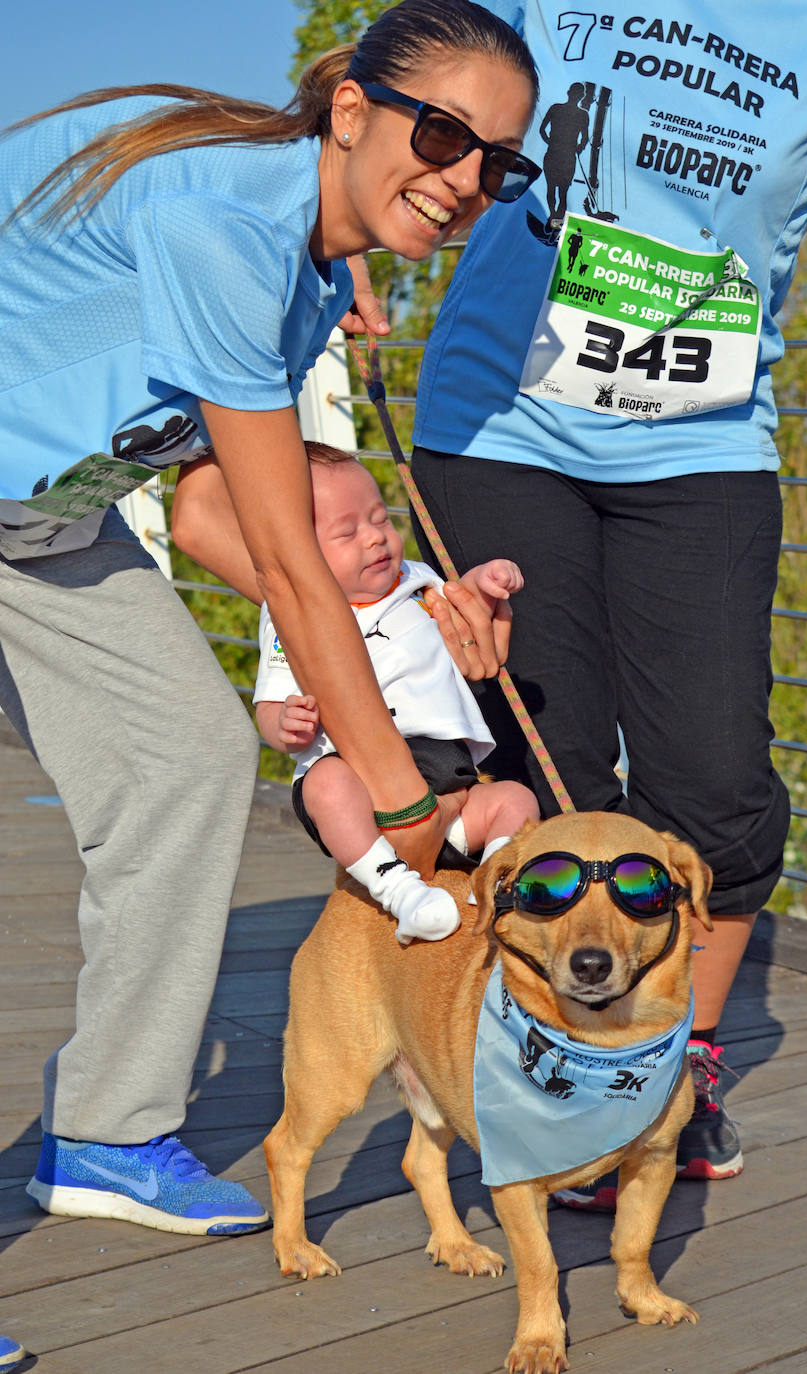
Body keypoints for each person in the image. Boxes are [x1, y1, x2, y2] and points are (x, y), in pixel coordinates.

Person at [0, 0, 540, 1239]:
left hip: (35, 530)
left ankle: (106, 1132)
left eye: (495, 163)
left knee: (185, 751)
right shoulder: (226, 226)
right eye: (444, 135)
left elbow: (204, 515)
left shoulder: (297, 270)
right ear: (351, 109)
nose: (463, 182)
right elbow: (294, 573)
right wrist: (408, 807)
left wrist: (403, 616)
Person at [408, 0, 807, 1204]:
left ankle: (676, 1065)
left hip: (705, 447)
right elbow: (421, 87)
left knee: (716, 785)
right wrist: (324, 260)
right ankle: (565, 1077)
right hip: (499, 428)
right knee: (552, 766)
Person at [254, 444, 540, 944]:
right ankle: (396, 888)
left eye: (380, 518)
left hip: (451, 782)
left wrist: (484, 582)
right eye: (348, 532)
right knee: (325, 784)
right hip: (359, 783)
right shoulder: (291, 615)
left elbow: (461, 608)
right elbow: (270, 700)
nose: (376, 538)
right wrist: (285, 724)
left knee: (514, 797)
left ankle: (495, 880)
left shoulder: (415, 578)